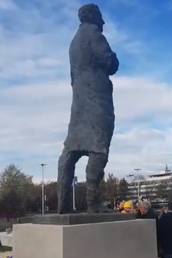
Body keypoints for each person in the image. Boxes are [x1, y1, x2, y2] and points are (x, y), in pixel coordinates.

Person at [57, 3, 119, 213]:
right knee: (99, 147)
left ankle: (62, 205)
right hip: (97, 101)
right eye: (100, 17)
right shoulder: (94, 34)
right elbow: (110, 63)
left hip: (79, 102)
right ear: (94, 17)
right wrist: (115, 57)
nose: (103, 21)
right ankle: (94, 203)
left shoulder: (74, 42)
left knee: (70, 151)